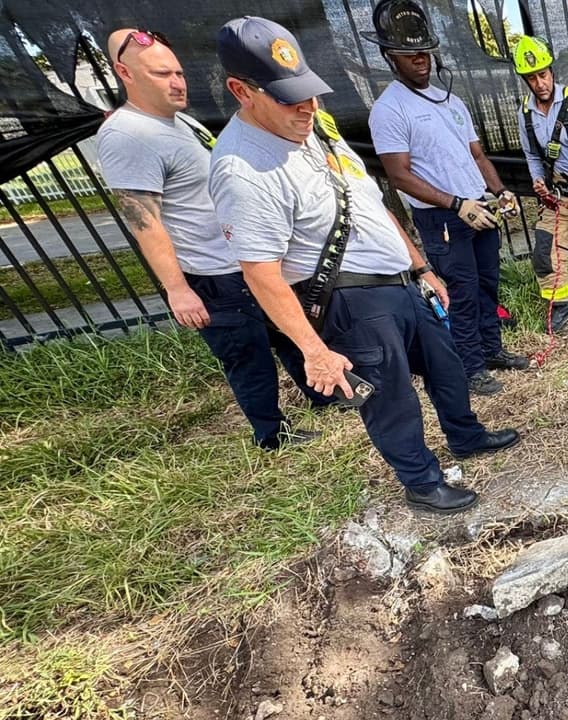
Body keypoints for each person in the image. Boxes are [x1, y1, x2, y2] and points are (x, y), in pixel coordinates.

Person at [207, 16, 518, 513]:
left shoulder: (313, 131)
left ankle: (466, 435)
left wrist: (421, 268)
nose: (307, 106)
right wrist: (313, 351)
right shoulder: (242, 169)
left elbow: (369, 204)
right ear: (242, 91)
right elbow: (260, 274)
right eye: (289, 97)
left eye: (309, 92)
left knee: (447, 365)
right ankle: (421, 482)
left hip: (400, 281)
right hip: (349, 298)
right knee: (392, 396)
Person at [96, 27, 330, 451]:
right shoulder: (127, 135)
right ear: (124, 73)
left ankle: (324, 397)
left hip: (243, 259)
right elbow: (144, 220)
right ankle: (272, 434)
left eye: (179, 73)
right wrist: (178, 289)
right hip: (212, 273)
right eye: (161, 73)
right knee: (247, 356)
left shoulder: (176, 120)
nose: (177, 82)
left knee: (287, 331)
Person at [363, 0, 529, 396]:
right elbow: (399, 175)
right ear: (390, 56)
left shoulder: (450, 101)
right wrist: (456, 205)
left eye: (425, 51)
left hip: (480, 208)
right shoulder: (389, 109)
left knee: (489, 283)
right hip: (445, 219)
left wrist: (500, 192)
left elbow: (476, 154)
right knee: (460, 292)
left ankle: (492, 350)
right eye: (410, 54)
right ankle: (470, 366)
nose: (420, 60)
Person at [510, 35, 568, 332]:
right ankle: (563, 311)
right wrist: (538, 180)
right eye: (532, 78)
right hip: (555, 193)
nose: (540, 83)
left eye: (543, 74)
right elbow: (531, 155)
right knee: (544, 254)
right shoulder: (525, 113)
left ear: (552, 70)